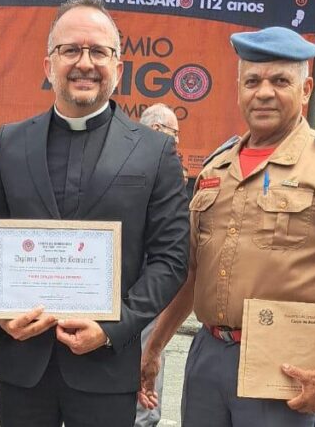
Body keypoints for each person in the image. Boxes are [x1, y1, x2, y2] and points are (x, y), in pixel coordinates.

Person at [139, 26, 315, 427]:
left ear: (306, 88)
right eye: (253, 81)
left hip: (284, 366)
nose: (263, 92)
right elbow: (192, 273)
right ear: (238, 88)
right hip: (207, 355)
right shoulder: (216, 168)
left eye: (280, 81)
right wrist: (153, 348)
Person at [0, 0, 189, 427]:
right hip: (23, 367)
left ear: (118, 67)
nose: (84, 62)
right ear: (48, 64)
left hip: (107, 368)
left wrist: (115, 327)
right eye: (70, 50)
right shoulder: (10, 143)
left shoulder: (154, 151)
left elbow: (171, 258)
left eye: (98, 51)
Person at [135, 102, 182, 427]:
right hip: (141, 286)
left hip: (147, 287)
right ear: (155, 130)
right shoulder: (156, 167)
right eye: (173, 133)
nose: (177, 141)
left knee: (149, 359)